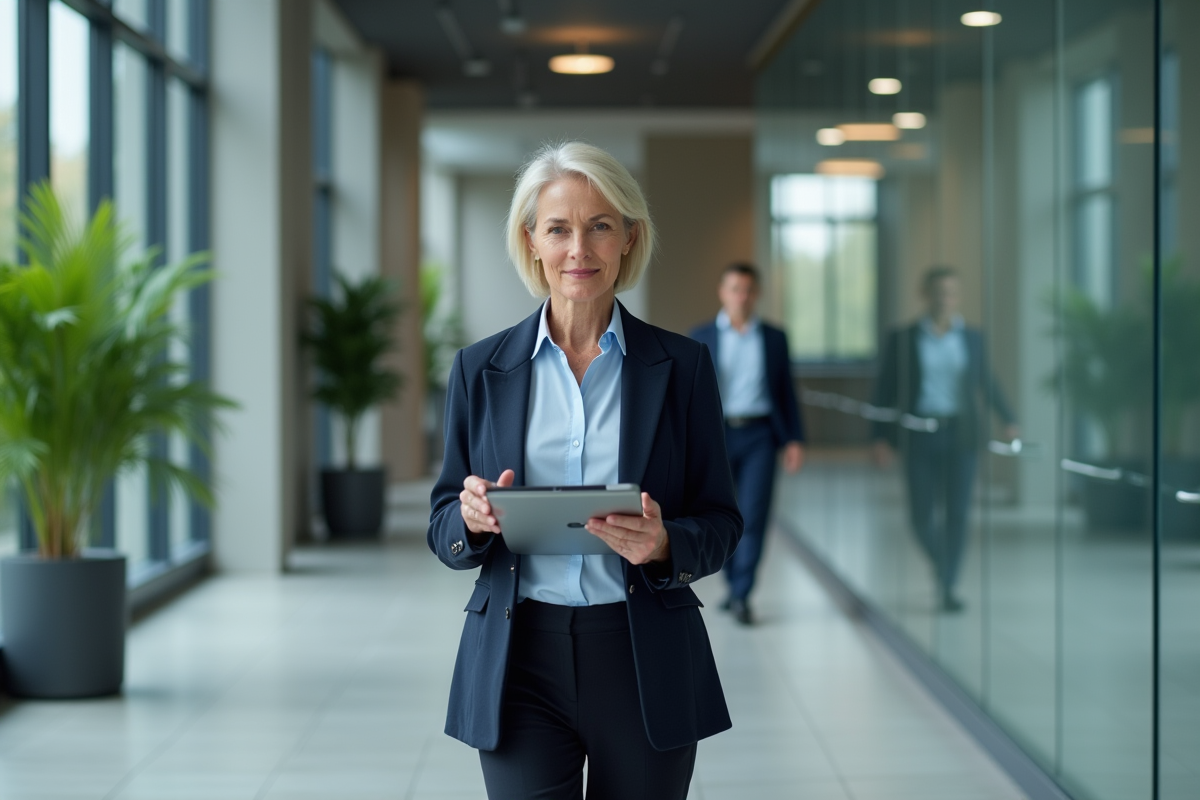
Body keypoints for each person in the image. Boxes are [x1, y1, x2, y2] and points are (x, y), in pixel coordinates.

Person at [427, 142, 742, 800]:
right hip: (519, 659)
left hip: (642, 654)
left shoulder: (682, 369)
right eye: (559, 228)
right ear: (531, 241)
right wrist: (471, 518)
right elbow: (442, 525)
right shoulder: (478, 370)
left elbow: (721, 520)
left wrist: (663, 544)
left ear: (630, 238)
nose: (580, 249)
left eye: (600, 225)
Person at [872, 265, 1018, 612]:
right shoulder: (904, 338)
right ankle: (943, 564)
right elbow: (884, 390)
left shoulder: (971, 338)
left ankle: (949, 584)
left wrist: (1009, 419)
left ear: (958, 297)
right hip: (919, 433)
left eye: (951, 293)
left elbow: (987, 382)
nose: (944, 299)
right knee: (921, 516)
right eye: (938, 292)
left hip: (961, 434)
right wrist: (879, 437)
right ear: (925, 295)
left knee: (957, 513)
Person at [689, 263, 806, 626]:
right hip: (717, 435)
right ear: (722, 293)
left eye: (748, 290)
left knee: (754, 515)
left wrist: (794, 440)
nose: (741, 296)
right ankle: (732, 581)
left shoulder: (773, 337)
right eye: (734, 289)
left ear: (757, 294)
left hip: (759, 435)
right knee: (722, 513)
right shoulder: (702, 334)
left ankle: (742, 594)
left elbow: (786, 390)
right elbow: (690, 393)